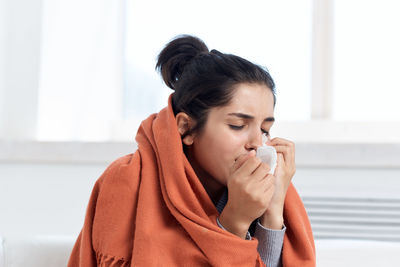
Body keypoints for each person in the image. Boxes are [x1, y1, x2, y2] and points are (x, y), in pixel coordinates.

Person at [68, 35, 315, 267]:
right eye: (237, 125)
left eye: (264, 129)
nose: (256, 143)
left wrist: (272, 212)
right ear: (186, 128)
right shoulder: (127, 181)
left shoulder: (259, 190)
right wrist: (234, 223)